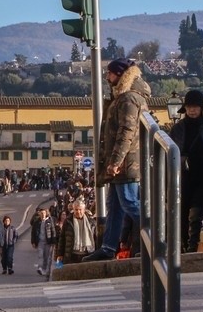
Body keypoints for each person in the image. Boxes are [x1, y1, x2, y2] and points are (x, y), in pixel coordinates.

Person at [83, 58, 151, 262]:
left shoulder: (129, 99)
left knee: (130, 203)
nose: (107, 76)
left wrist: (115, 161)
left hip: (128, 163)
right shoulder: (123, 97)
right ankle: (108, 247)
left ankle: (156, 233)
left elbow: (126, 132)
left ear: (121, 74)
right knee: (115, 206)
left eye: (111, 73)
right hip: (125, 162)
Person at [169, 89, 203, 253]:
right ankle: (183, 244)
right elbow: (168, 155)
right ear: (185, 108)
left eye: (195, 107)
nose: (192, 110)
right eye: (190, 107)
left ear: (201, 108)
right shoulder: (177, 129)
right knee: (182, 213)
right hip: (182, 178)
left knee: (196, 214)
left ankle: (193, 245)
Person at [56, 198, 96, 266]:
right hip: (72, 255)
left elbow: (96, 238)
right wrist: (60, 254)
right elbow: (62, 238)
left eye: (80, 209)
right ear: (73, 210)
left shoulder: (91, 222)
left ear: (84, 210)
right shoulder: (68, 221)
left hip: (87, 254)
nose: (78, 212)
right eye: (76, 210)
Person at [30, 207, 57, 277]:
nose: (42, 214)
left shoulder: (49, 221)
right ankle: (40, 268)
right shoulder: (37, 222)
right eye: (41, 213)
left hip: (48, 241)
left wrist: (53, 241)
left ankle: (44, 269)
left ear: (46, 213)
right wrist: (33, 241)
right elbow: (33, 232)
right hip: (40, 242)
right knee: (40, 255)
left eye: (44, 213)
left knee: (46, 256)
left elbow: (53, 231)